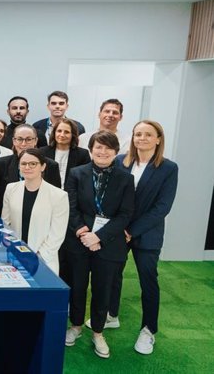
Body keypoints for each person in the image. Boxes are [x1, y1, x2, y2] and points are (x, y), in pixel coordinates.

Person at [93, 120, 178, 355]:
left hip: (146, 233)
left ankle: (149, 329)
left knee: (148, 279)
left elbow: (162, 207)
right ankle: (111, 314)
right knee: (114, 273)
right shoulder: (121, 161)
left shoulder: (168, 168)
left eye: (148, 134)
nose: (141, 138)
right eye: (138, 133)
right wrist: (117, 228)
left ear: (158, 139)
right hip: (117, 229)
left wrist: (132, 230)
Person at [64, 131, 135, 359]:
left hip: (109, 243)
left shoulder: (125, 178)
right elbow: (70, 206)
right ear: (91, 149)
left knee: (103, 288)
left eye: (108, 148)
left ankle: (97, 331)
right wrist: (83, 232)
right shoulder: (76, 173)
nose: (102, 152)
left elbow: (125, 215)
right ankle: (75, 326)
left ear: (116, 152)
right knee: (77, 284)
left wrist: (99, 237)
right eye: (98, 147)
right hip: (79, 239)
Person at [1, 148, 69, 274]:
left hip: (43, 259)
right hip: (14, 257)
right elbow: (6, 223)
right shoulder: (11, 189)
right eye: (23, 164)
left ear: (42, 167)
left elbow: (57, 234)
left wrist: (38, 256)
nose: (28, 167)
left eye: (33, 164)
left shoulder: (59, 196)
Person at [0, 124, 62, 214]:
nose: (24, 144)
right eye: (20, 139)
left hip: (41, 217)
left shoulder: (51, 165)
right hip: (9, 218)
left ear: (35, 141)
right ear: (13, 141)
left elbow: (55, 198)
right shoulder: (2, 164)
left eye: (28, 139)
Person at [40, 118, 91, 189]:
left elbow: (85, 179)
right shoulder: (42, 152)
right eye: (59, 131)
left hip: (71, 195)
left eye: (66, 132)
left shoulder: (82, 154)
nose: (62, 135)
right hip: (47, 193)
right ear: (54, 132)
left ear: (72, 135)